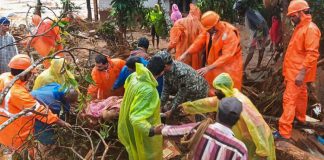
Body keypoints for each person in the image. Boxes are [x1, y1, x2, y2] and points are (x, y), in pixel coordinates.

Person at [179, 73, 276, 160]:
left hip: (258, 140)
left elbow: (257, 127)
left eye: (218, 89)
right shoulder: (224, 98)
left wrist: (262, 150)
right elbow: (207, 103)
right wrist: (187, 107)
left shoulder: (242, 103)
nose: (215, 92)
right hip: (245, 138)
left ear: (224, 88)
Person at [0, 54, 70, 152]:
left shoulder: (4, 77)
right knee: (24, 152)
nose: (31, 75)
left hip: (4, 124)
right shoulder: (19, 94)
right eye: (30, 73)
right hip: (17, 131)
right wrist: (61, 122)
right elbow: (39, 111)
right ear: (24, 74)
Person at [274, 0, 321, 140]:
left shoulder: (310, 29)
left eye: (293, 16)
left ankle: (284, 132)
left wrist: (301, 73)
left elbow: (312, 54)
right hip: (294, 72)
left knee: (289, 100)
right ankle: (300, 120)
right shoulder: (301, 27)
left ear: (301, 13)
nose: (291, 19)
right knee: (301, 96)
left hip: (297, 73)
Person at [161, 97, 248, 160]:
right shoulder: (240, 149)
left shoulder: (200, 128)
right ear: (237, 120)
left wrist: (153, 130)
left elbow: (170, 131)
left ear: (217, 114)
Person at [179, 11, 243, 93]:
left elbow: (226, 56)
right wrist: (186, 53)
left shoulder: (230, 34)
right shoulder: (210, 31)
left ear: (215, 25)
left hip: (230, 66)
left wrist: (208, 67)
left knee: (228, 88)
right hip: (214, 64)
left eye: (209, 29)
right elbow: (199, 42)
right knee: (212, 86)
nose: (207, 31)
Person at [118, 59, 164, 160]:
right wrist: (152, 130)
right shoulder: (149, 90)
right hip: (141, 130)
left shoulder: (134, 76)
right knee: (146, 153)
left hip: (126, 122)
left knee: (133, 150)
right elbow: (136, 118)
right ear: (162, 72)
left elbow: (128, 88)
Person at [155, 51, 208, 115]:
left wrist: (172, 110)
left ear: (165, 65)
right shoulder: (166, 70)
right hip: (186, 89)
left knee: (196, 112)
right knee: (175, 108)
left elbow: (181, 94)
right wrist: (161, 105)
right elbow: (166, 89)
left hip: (199, 90)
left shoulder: (181, 73)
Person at [233, 0, 269, 70]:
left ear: (241, 9)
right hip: (263, 32)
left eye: (238, 10)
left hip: (260, 32)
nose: (238, 12)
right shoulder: (251, 11)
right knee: (261, 49)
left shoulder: (249, 14)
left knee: (251, 50)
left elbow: (260, 24)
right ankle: (258, 66)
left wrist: (257, 37)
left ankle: (243, 68)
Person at [167, 4, 203, 69]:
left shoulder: (179, 23)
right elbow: (204, 44)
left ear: (189, 13)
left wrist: (166, 51)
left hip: (182, 57)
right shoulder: (200, 26)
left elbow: (173, 42)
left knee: (181, 75)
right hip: (195, 61)